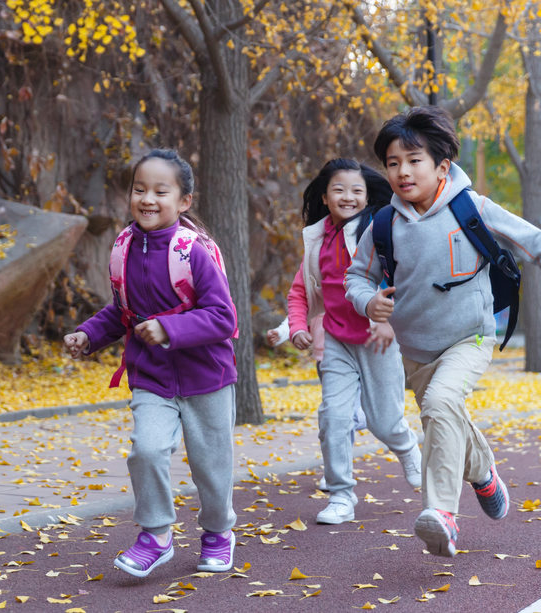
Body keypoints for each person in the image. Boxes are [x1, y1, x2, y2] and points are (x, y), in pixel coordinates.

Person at [345, 106, 541, 557]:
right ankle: (483, 474)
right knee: (446, 416)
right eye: (393, 162)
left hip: (472, 337)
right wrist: (368, 301)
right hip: (415, 351)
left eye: (414, 160)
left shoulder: (470, 207)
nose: (403, 171)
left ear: (441, 166)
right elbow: (356, 277)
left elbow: (535, 242)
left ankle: (441, 514)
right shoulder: (382, 224)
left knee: (441, 406)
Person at [64, 149, 238, 577]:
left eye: (161, 191)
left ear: (184, 201)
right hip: (152, 376)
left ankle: (218, 533)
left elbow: (223, 317)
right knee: (147, 449)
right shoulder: (124, 248)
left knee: (211, 468)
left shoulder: (193, 251)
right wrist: (89, 334)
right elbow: (122, 311)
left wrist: (170, 330)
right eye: (140, 189)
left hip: (206, 377)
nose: (148, 198)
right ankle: (156, 535)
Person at [290, 157, 422, 525]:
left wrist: (388, 321)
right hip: (336, 338)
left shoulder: (377, 230)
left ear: (367, 197)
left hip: (375, 338)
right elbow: (302, 290)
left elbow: (400, 276)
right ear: (325, 195)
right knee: (333, 416)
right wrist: (296, 326)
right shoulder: (316, 237)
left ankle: (408, 447)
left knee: (384, 421)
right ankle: (341, 496)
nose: (347, 196)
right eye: (339, 189)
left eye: (356, 190)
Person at [266, 310, 367, 492]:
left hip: (358, 353)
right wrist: (281, 333)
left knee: (346, 416)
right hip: (325, 360)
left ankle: (366, 416)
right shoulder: (314, 283)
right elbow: (300, 311)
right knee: (336, 418)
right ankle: (338, 473)